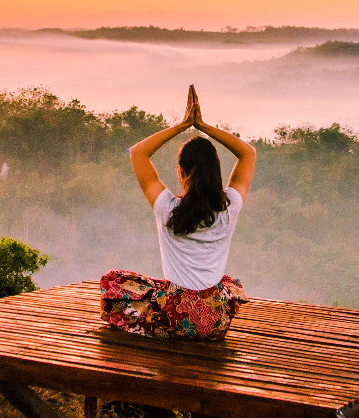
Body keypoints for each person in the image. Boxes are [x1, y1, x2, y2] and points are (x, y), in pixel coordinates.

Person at [99, 85, 256, 342]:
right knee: (225, 284)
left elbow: (138, 152)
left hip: (173, 318)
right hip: (214, 322)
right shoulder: (230, 207)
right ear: (216, 173)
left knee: (112, 281)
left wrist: (184, 125)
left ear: (180, 172)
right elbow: (247, 153)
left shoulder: (167, 208)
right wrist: (202, 126)